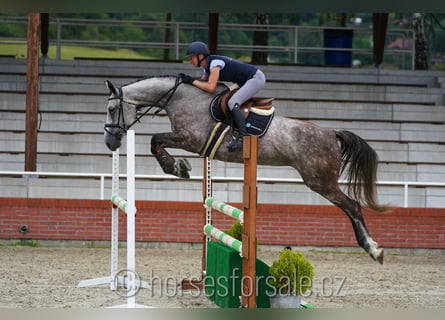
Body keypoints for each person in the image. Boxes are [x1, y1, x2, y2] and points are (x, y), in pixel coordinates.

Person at [180, 41, 266, 152]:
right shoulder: (207, 67)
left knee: (232, 102)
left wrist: (191, 81)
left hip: (255, 79)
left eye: (191, 58)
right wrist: (187, 82)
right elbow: (202, 83)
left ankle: (242, 137)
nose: (190, 61)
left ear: (200, 56)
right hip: (244, 81)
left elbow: (211, 87)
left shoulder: (215, 64)